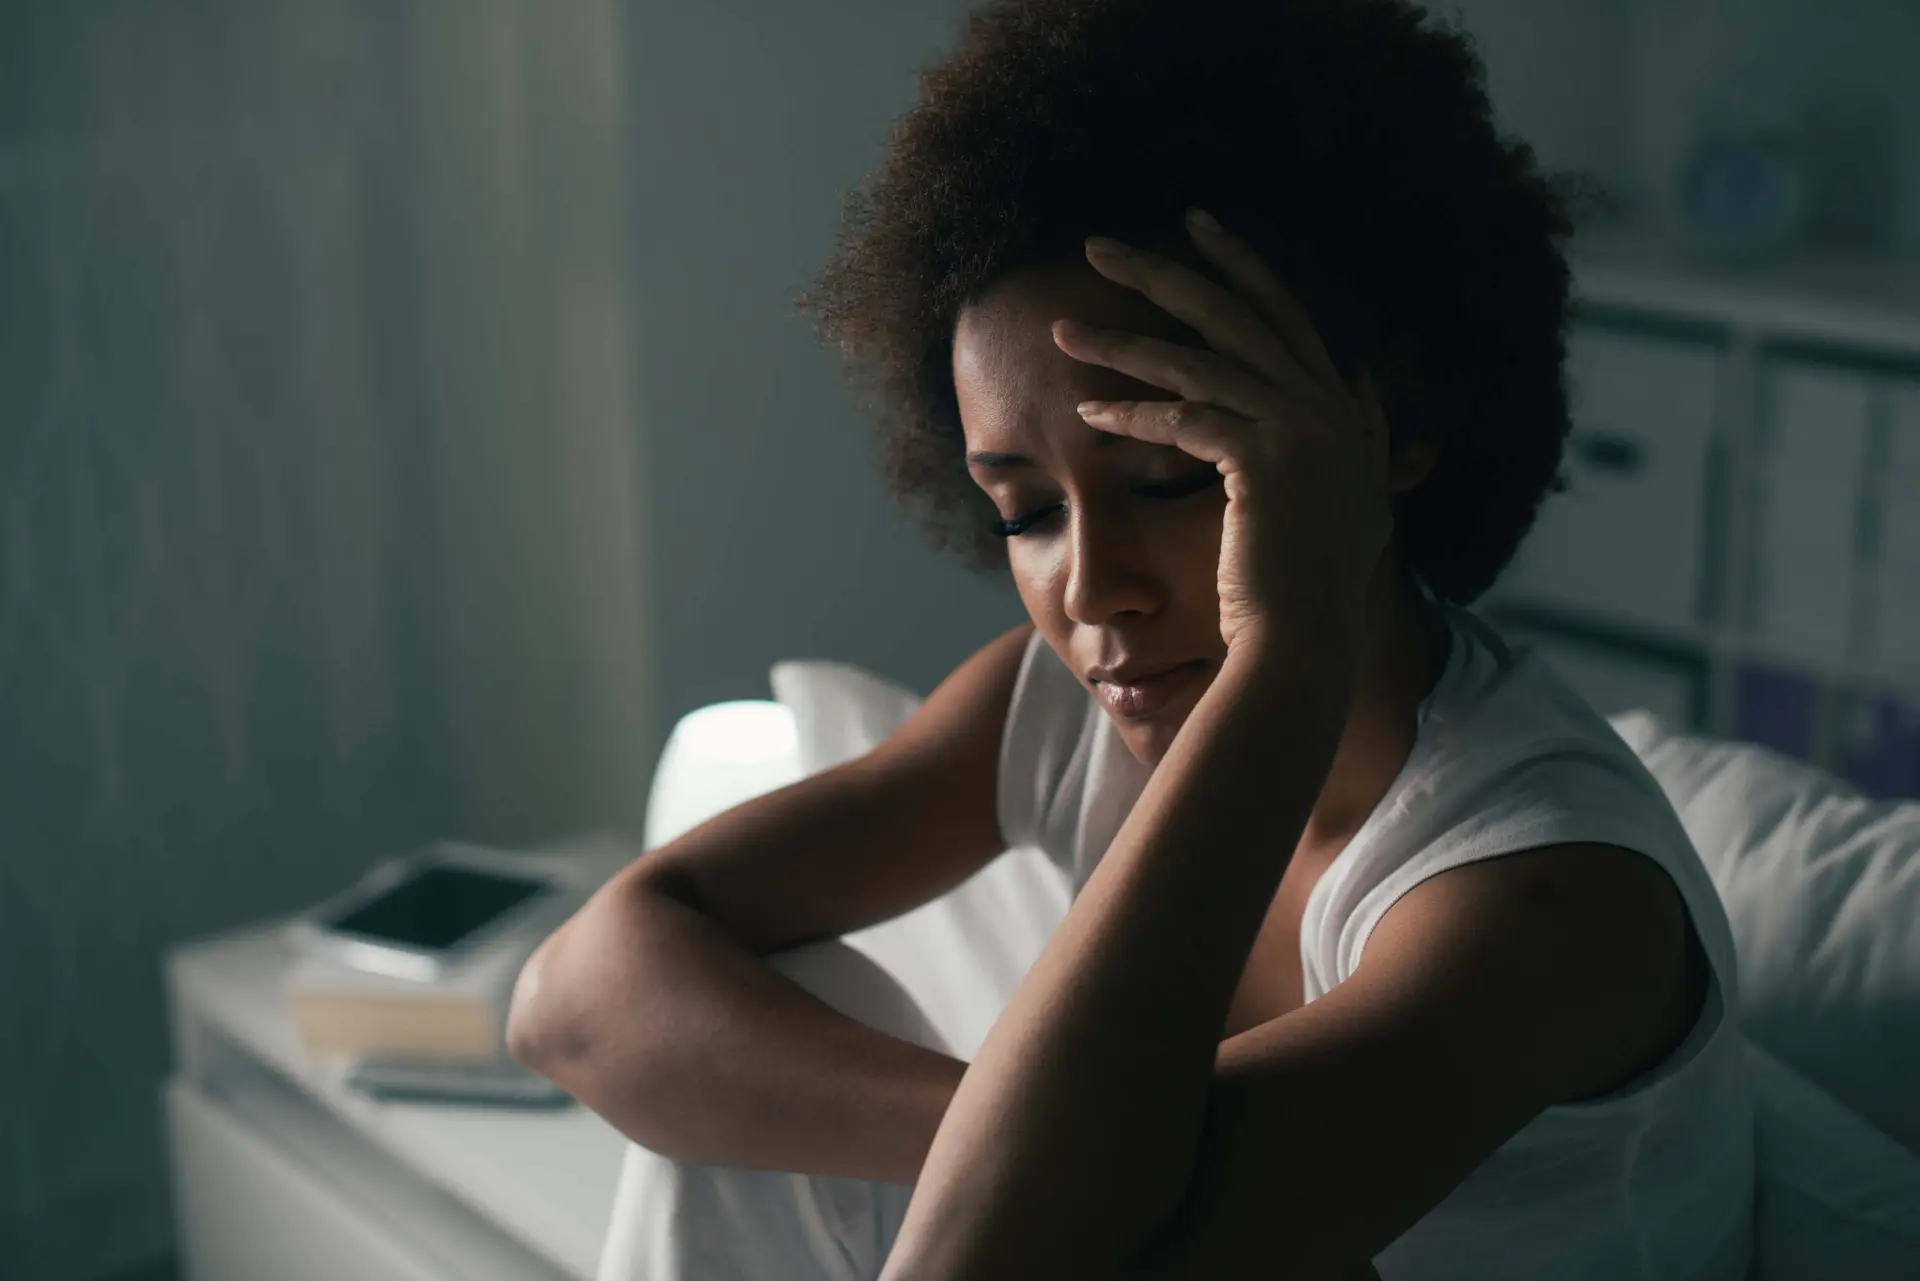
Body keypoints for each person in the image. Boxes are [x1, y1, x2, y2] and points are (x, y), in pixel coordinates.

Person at [505, 0, 1756, 1277]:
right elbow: (572, 997)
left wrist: (1288, 657)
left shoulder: (1545, 903)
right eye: (1030, 510)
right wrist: (1005, 1136)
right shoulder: (1051, 711)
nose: (1091, 591)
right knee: (768, 1047)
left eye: (1168, 480)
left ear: (1395, 432)